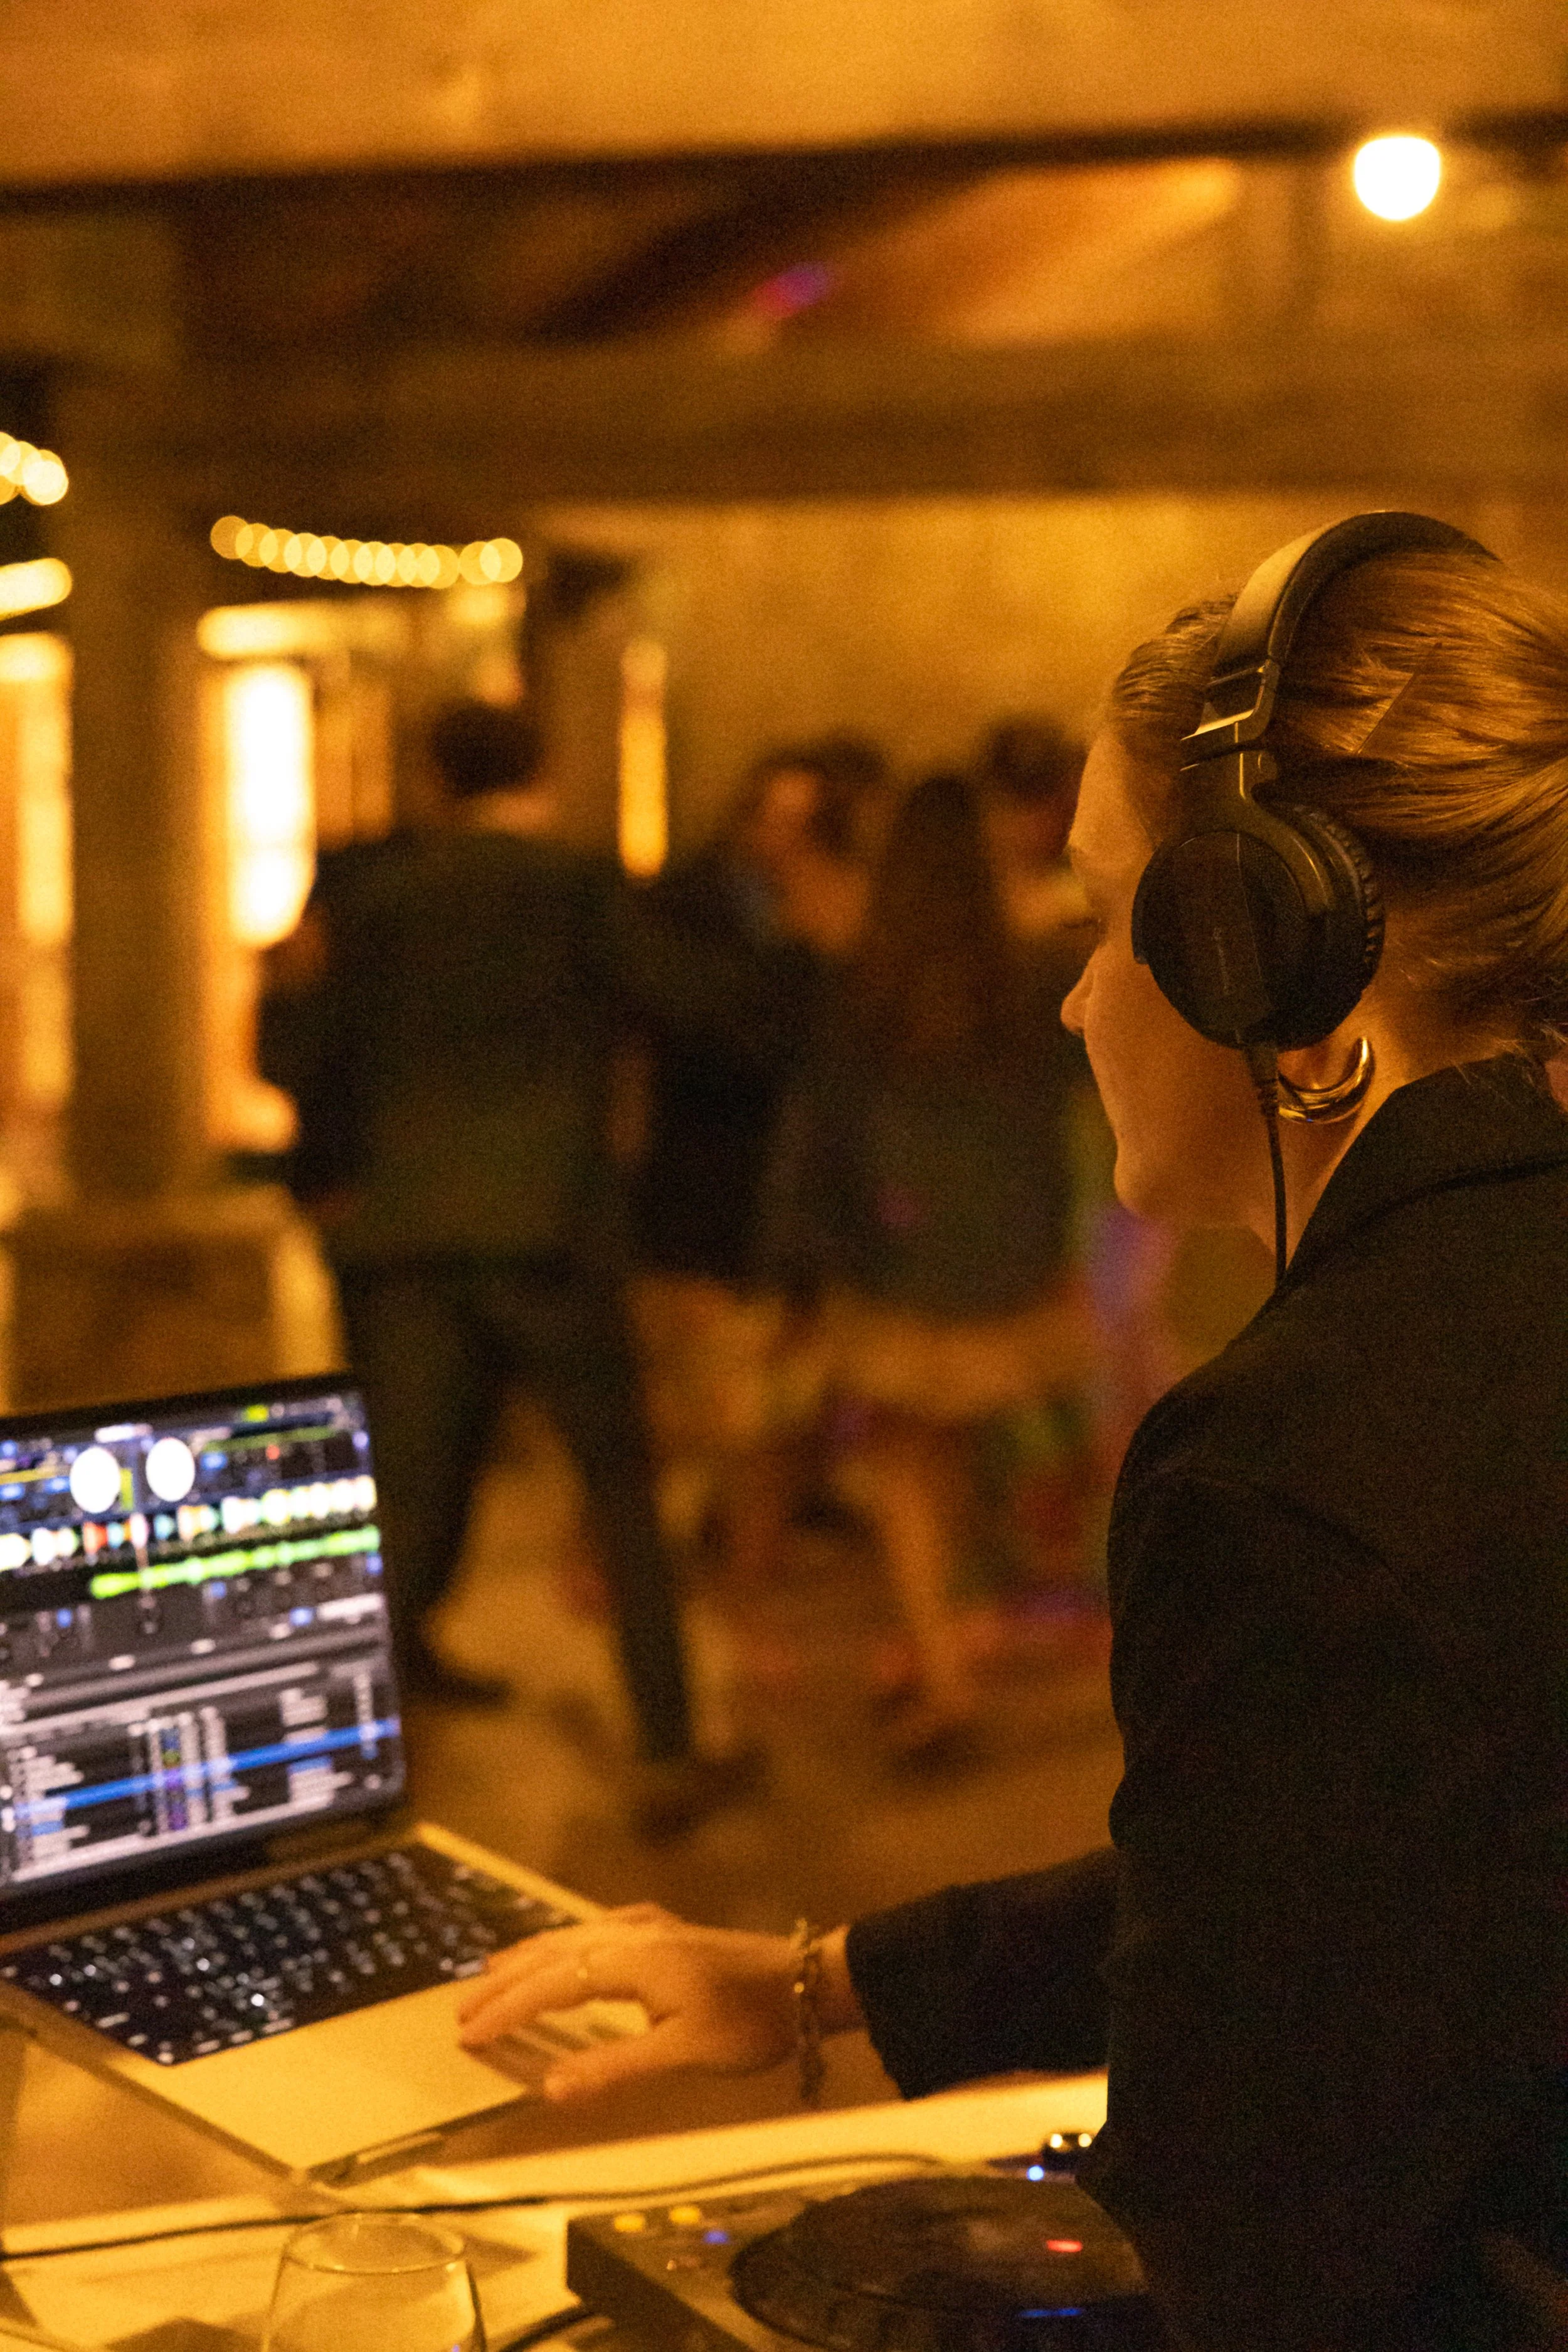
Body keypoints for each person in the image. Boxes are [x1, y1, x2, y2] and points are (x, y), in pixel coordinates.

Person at [456, 526, 1568, 2349]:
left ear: (1260, 957)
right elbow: (1326, 1868)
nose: (1070, 995)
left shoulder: (1294, 1465)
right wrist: (807, 1983)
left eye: (1097, 914)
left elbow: (1244, 2254)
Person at [296, 702, 757, 1834]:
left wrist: (341, 1176)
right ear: (543, 767)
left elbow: (314, 1048)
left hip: (409, 1232)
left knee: (406, 1487)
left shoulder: (380, 897)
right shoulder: (573, 887)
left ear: (437, 776)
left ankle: (331, 1768)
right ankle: (665, 1744)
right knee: (615, 1485)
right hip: (547, 1225)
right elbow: (694, 1004)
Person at [755, 772, 1096, 1752]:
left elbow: (822, 1129)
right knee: (986, 1446)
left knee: (907, 1463)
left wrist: (801, 1257)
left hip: (899, 1255)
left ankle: (943, 1671)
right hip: (1012, 1253)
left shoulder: (864, 978)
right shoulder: (1029, 976)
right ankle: (983, 1631)